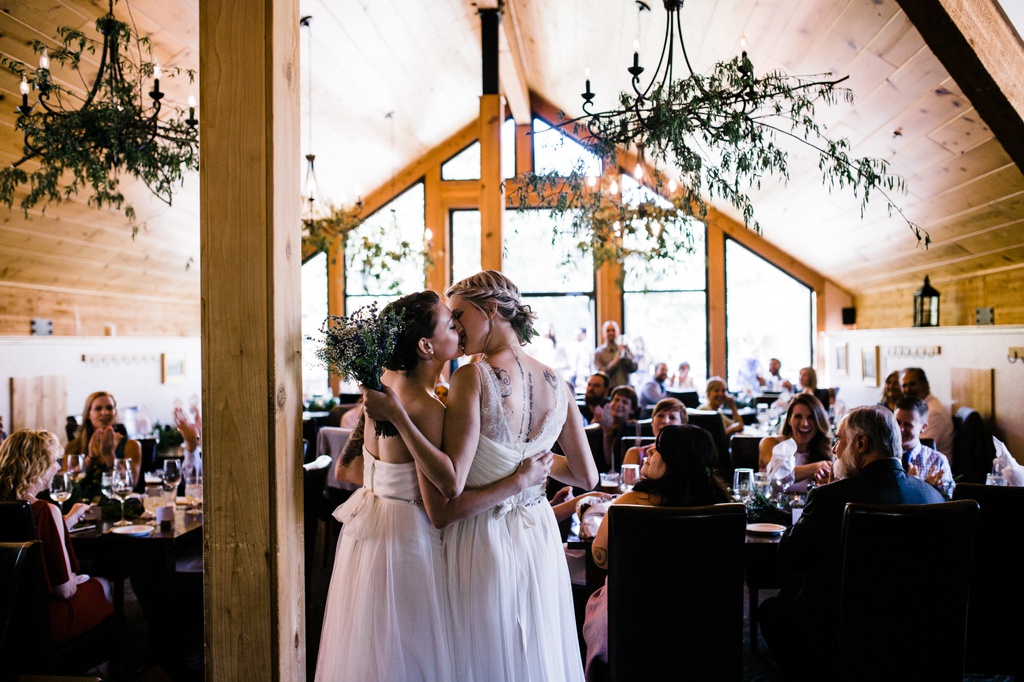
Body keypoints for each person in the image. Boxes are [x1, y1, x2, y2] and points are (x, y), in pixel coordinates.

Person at [361, 271, 598, 682]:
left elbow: (451, 484)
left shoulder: (471, 376)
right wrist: (529, 463)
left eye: (460, 315)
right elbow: (585, 474)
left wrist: (519, 471)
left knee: (485, 657)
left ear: (489, 311)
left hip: (483, 537)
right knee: (535, 658)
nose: (455, 326)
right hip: (539, 535)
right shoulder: (558, 382)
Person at [316, 290, 553, 681]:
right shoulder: (427, 407)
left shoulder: (388, 384)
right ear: (426, 345)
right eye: (449, 322)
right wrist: (518, 480)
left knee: (375, 654)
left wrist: (392, 481)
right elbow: (448, 486)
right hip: (409, 542)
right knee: (413, 657)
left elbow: (347, 469)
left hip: (369, 533)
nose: (458, 328)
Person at [758, 406, 944, 677]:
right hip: (916, 634)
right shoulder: (932, 497)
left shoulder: (831, 498)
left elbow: (788, 557)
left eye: (839, 440)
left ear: (861, 443)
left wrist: (820, 498)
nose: (834, 450)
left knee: (770, 611)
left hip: (840, 636)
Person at [581, 425, 732, 676]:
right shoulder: (722, 505)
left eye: (659, 448)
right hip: (703, 616)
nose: (649, 449)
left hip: (636, 615)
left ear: (675, 460)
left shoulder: (629, 504)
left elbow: (601, 559)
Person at [0, 430, 114, 644]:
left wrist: (67, 520)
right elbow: (64, 591)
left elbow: (27, 532)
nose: (57, 467)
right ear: (38, 467)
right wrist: (77, 578)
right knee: (102, 584)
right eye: (54, 461)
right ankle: (92, 671)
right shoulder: (44, 510)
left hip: (7, 621)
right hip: (39, 621)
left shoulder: (14, 508)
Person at [757, 394, 833, 493]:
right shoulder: (769, 443)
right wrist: (816, 467)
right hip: (770, 508)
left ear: (819, 422)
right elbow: (780, 473)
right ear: (789, 420)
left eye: (811, 417)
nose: (804, 423)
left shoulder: (825, 451)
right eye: (798, 417)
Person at [65, 391, 142, 483]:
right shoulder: (73, 446)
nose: (105, 412)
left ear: (115, 412)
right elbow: (66, 483)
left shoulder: (131, 445)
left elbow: (131, 484)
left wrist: (109, 456)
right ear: (88, 414)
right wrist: (90, 458)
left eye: (109, 408)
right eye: (98, 408)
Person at [895, 396, 954, 499]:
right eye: (897, 422)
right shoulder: (882, 455)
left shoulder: (937, 461)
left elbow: (949, 500)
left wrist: (928, 489)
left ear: (923, 428)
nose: (900, 429)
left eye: (908, 425)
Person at [900, 368, 954, 459]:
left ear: (925, 385)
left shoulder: (934, 412)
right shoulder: (919, 408)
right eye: (904, 386)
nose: (907, 390)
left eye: (912, 384)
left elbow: (918, 448)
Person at [622, 398, 686, 468]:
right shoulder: (635, 454)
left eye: (672, 417)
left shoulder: (687, 455)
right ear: (652, 422)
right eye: (660, 416)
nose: (665, 421)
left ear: (682, 425)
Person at [596, 385, 639, 474]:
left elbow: (612, 464)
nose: (619, 404)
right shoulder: (599, 425)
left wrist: (607, 432)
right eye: (616, 400)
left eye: (625, 402)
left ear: (632, 409)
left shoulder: (633, 429)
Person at [593, 320, 637, 389]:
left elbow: (634, 368)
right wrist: (616, 359)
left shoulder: (623, 350)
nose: (611, 333)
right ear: (603, 333)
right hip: (609, 390)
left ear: (618, 332)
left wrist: (629, 354)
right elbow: (602, 374)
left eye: (613, 330)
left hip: (626, 388)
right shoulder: (598, 353)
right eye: (608, 330)